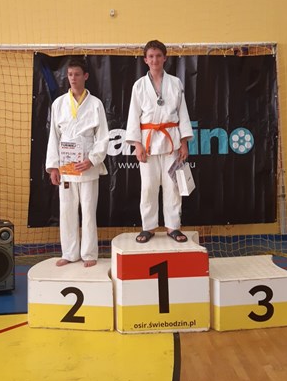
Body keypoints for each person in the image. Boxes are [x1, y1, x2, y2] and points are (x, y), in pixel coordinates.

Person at [125, 40, 193, 243]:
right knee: (148, 187)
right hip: (147, 143)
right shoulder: (139, 85)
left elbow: (182, 113)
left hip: (172, 142)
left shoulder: (176, 83)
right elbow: (133, 116)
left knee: (172, 186)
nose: (154, 60)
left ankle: (173, 226)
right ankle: (148, 227)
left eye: (158, 56)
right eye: (151, 56)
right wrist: (137, 144)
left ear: (165, 58)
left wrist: (184, 142)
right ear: (145, 60)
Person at [46, 57, 109, 267]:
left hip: (87, 165)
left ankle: (89, 254)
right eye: (70, 74)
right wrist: (53, 167)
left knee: (89, 211)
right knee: (67, 211)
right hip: (66, 166)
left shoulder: (96, 104)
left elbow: (103, 137)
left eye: (77, 74)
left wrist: (92, 160)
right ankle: (69, 253)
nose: (73, 78)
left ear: (85, 76)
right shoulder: (59, 104)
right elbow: (53, 137)